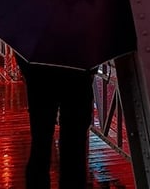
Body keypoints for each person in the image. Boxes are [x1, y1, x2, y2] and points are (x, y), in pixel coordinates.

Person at [15, 55, 95, 189]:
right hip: (77, 79)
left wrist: (29, 73)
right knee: (74, 150)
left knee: (40, 145)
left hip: (40, 78)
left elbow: (21, 54)